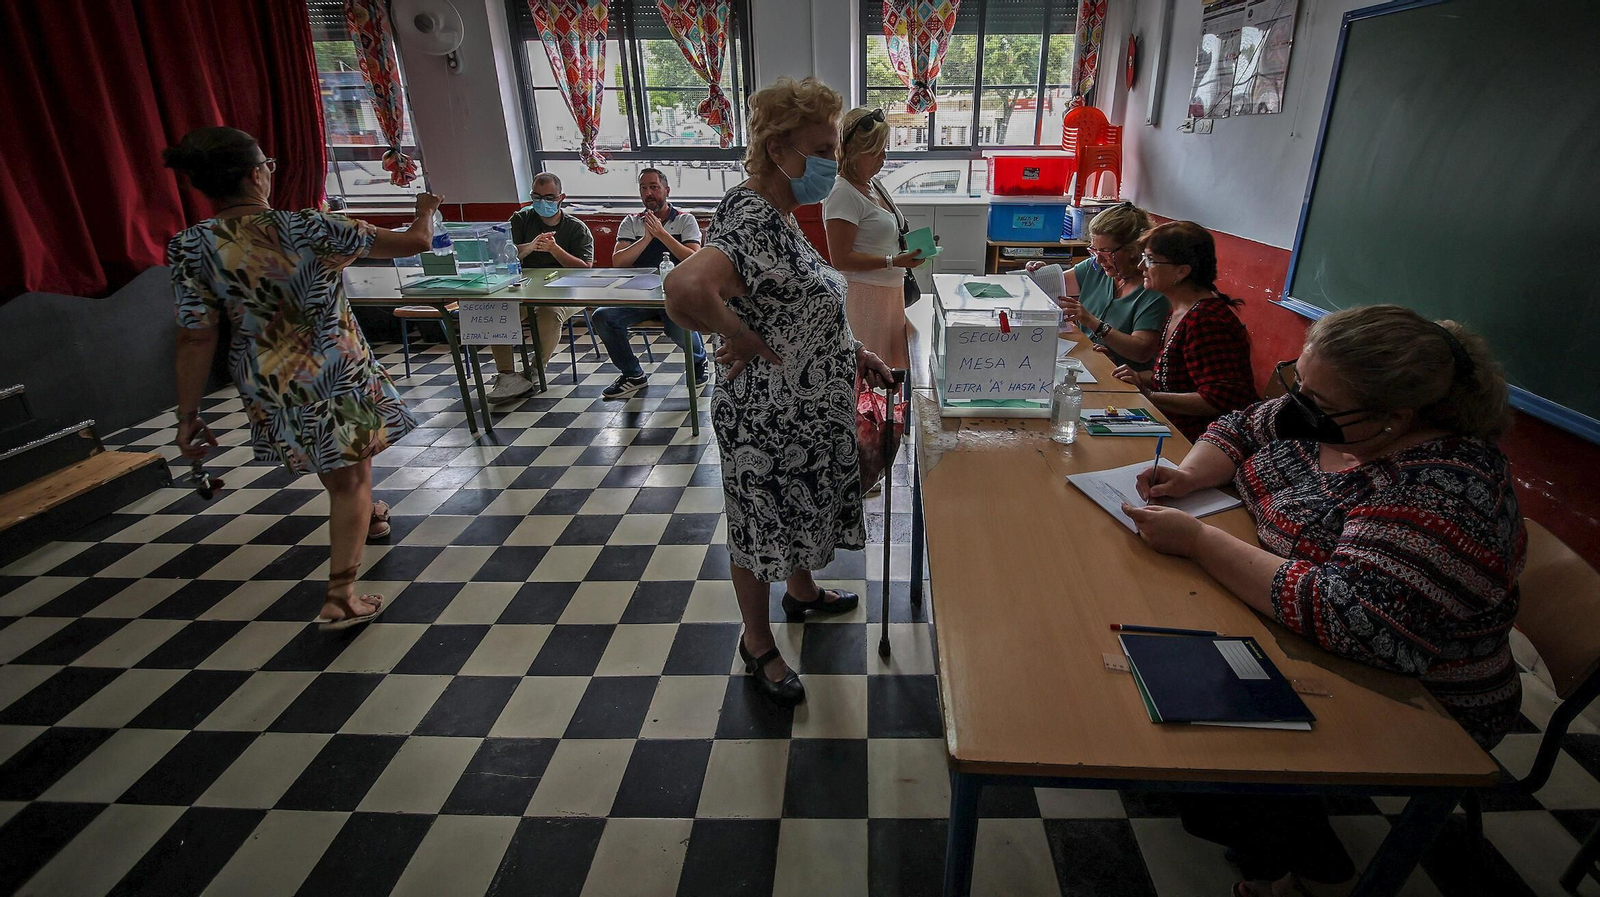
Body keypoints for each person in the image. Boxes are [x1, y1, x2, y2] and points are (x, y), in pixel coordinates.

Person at [1121, 305, 1526, 895]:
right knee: (1153, 661)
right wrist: (1190, 475)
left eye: (1318, 400)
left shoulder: (1443, 489)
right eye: (1300, 383)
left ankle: (1302, 862)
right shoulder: (1337, 418)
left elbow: (1351, 618)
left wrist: (1201, 541)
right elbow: (1241, 426)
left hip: (1417, 694)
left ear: (1395, 417)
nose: (1298, 405)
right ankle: (1283, 844)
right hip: (1285, 619)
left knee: (1204, 741)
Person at [664, 76, 896, 707]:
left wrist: (854, 352)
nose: (832, 162)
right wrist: (739, 336)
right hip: (767, 416)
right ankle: (758, 641)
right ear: (778, 150)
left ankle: (801, 592)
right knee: (760, 523)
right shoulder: (751, 218)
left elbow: (796, 306)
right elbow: (684, 289)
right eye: (821, 149)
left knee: (796, 508)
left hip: (804, 408)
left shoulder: (781, 214)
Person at [163, 126, 440, 629]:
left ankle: (369, 514)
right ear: (257, 174)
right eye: (267, 164)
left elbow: (195, 336)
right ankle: (341, 597)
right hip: (332, 371)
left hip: (266, 379)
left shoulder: (191, 245)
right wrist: (425, 208)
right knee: (350, 478)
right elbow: (415, 242)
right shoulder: (310, 227)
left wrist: (188, 414)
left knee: (341, 467)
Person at [1111, 221, 1257, 440]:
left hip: (1200, 439)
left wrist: (1149, 395)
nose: (1141, 266)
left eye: (1150, 259)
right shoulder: (1180, 309)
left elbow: (1220, 400)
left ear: (1182, 271)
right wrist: (1134, 378)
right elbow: (1172, 379)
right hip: (1170, 425)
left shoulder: (1206, 320)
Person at [592, 167, 708, 399]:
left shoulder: (685, 220)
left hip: (675, 296)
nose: (648, 193)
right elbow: (619, 262)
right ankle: (633, 374)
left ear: (667, 190)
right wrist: (646, 238)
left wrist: (662, 234)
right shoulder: (631, 222)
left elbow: (694, 259)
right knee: (602, 317)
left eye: (654, 187)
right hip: (640, 296)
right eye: (643, 188)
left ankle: (698, 360)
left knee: (676, 324)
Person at [822, 107, 923, 371]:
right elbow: (841, 259)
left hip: (889, 294)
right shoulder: (842, 193)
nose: (884, 157)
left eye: (884, 149)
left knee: (890, 371)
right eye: (876, 152)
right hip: (865, 299)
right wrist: (894, 261)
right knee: (869, 378)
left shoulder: (873, 184)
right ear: (852, 152)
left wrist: (908, 253)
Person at [488, 172, 594, 403]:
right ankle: (506, 375)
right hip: (523, 289)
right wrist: (530, 247)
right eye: (537, 197)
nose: (542, 202)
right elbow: (502, 255)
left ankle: (535, 370)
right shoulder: (521, 219)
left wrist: (555, 250)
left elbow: (585, 269)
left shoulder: (576, 228)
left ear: (561, 198)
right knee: (498, 310)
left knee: (548, 313)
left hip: (565, 292)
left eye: (549, 197)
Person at [1028, 201, 1169, 369]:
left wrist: (1091, 321)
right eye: (1094, 250)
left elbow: (1141, 351)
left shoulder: (1153, 291)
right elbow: (1051, 285)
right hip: (1087, 359)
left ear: (1133, 250)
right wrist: (1041, 273)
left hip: (1120, 373)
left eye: (1106, 252)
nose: (1098, 259)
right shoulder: (1096, 268)